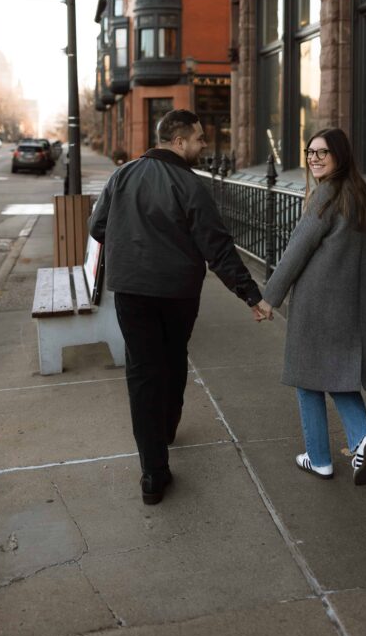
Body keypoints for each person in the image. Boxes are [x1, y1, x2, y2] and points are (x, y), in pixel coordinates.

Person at [89, 109, 267, 505]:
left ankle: (153, 473)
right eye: (199, 138)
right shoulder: (190, 184)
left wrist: (131, 240)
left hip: (131, 290)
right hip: (177, 292)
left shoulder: (123, 175)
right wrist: (250, 295)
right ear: (179, 141)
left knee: (142, 372)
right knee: (172, 358)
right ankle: (167, 427)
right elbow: (217, 247)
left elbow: (97, 226)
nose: (204, 145)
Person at [258, 128, 366, 485]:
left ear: (339, 156)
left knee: (307, 378)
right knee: (340, 377)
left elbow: (296, 251)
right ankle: (363, 438)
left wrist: (269, 298)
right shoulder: (364, 197)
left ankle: (319, 459)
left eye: (322, 153)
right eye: (310, 152)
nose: (313, 158)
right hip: (353, 306)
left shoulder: (326, 196)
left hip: (318, 305)